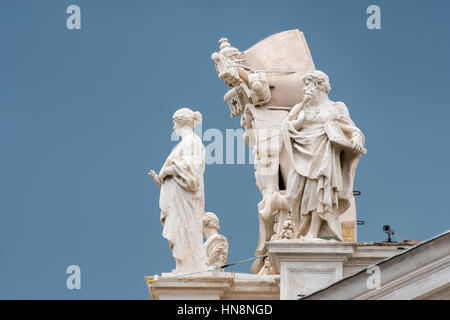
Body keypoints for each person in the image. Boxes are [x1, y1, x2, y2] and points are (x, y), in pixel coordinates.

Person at [260, 70, 365, 241]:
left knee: (318, 193)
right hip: (302, 155)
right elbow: (285, 129)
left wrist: (356, 137)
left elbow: (351, 129)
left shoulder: (336, 107)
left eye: (308, 85)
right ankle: (302, 229)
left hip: (324, 154)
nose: (304, 90)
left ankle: (313, 233)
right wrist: (303, 121)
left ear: (319, 86)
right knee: (294, 194)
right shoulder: (300, 108)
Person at [148, 108, 208, 272]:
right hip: (179, 198)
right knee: (179, 229)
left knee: (185, 229)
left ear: (181, 122)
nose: (173, 128)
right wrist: (161, 179)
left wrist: (168, 171)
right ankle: (185, 266)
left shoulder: (193, 142)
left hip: (186, 200)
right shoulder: (184, 144)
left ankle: (190, 266)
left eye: (174, 124)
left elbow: (193, 170)